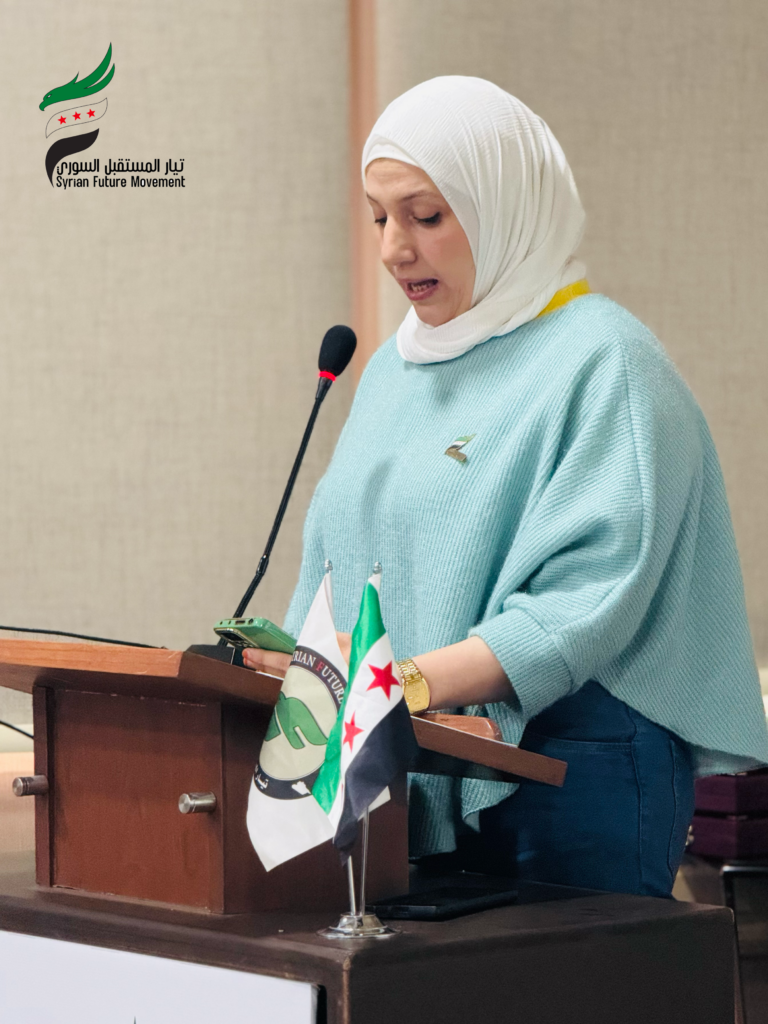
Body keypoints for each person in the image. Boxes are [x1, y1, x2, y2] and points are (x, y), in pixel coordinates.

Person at [244, 76, 768, 897]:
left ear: (503, 205)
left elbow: (584, 603)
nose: (394, 249)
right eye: (380, 218)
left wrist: (403, 684)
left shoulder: (609, 363)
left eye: (426, 216)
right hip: (403, 761)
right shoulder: (389, 372)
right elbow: (343, 567)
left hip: (570, 769)